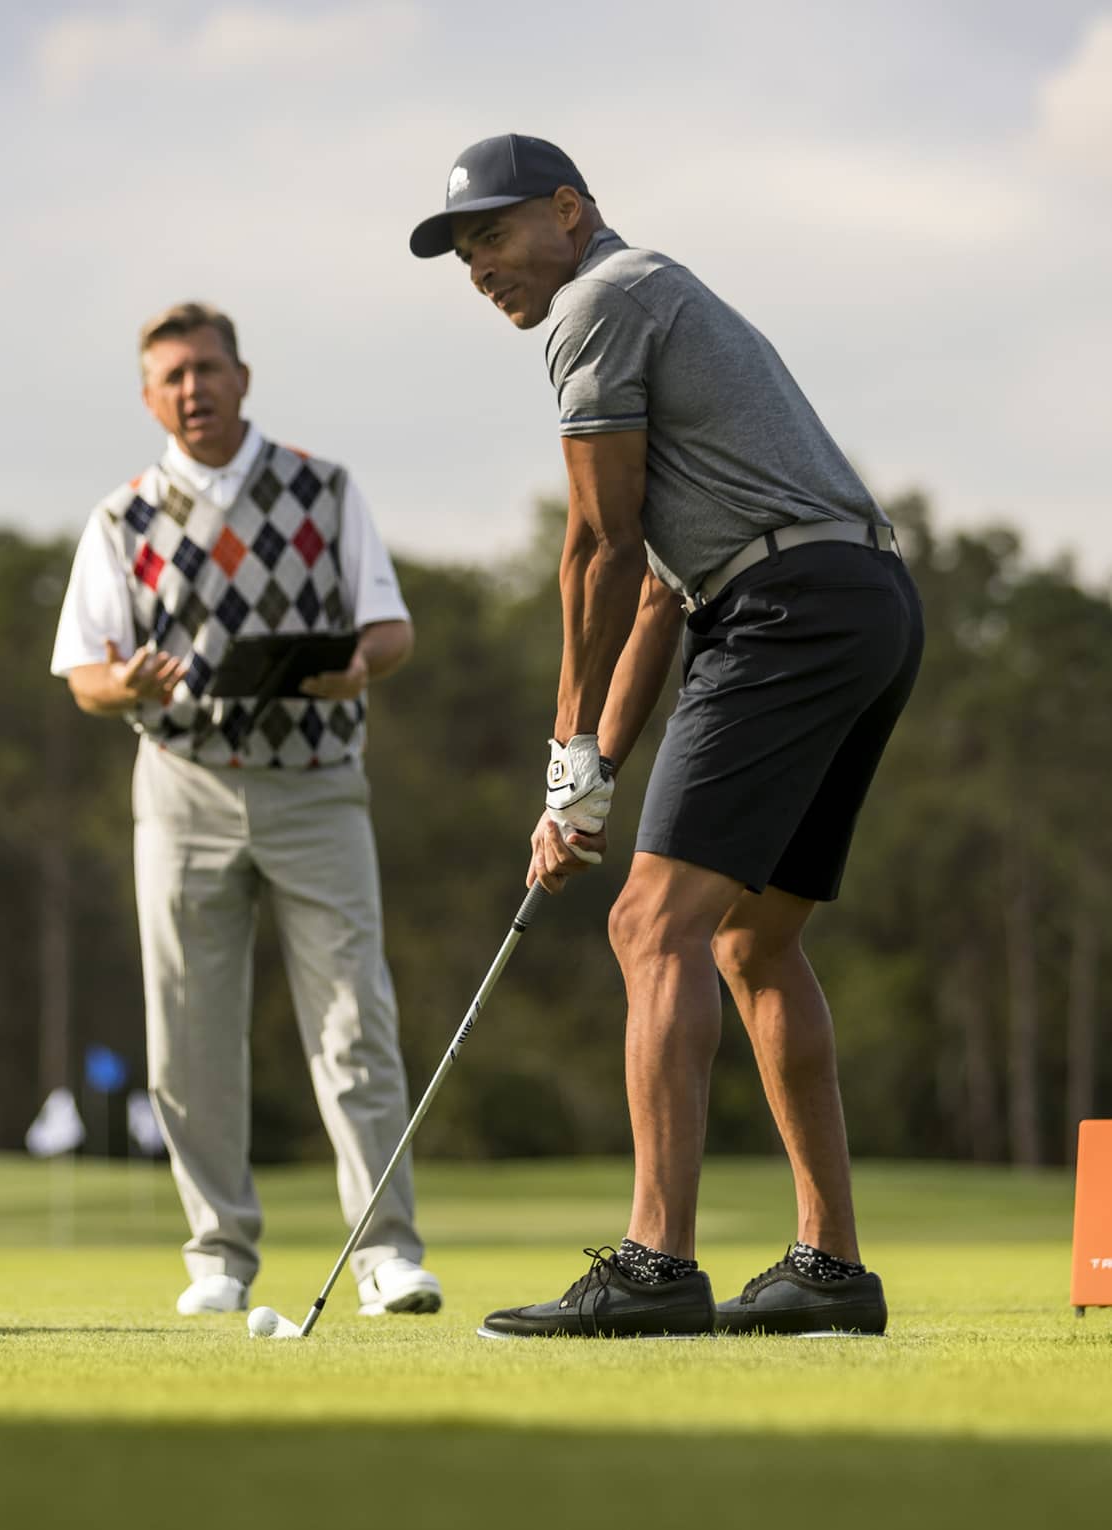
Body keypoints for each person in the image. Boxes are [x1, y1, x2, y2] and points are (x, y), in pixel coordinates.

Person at [410, 136, 923, 1339]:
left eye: (492, 235)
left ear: (571, 211)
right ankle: (830, 1270)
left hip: (786, 613)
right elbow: (654, 588)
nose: (478, 266)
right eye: (462, 250)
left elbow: (595, 544)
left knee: (650, 924)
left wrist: (561, 752)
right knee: (750, 942)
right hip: (860, 605)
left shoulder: (596, 303)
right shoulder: (659, 297)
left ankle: (655, 1266)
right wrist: (587, 779)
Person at [50, 301, 441, 1318]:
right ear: (148, 397)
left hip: (316, 784)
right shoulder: (119, 517)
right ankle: (218, 1256)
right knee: (188, 1036)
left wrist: (358, 667)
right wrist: (125, 682)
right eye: (172, 376)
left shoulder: (323, 487)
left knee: (356, 1021)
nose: (194, 389)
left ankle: (386, 1254)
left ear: (243, 376)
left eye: (208, 369)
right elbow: (82, 674)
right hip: (181, 789)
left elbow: (389, 628)